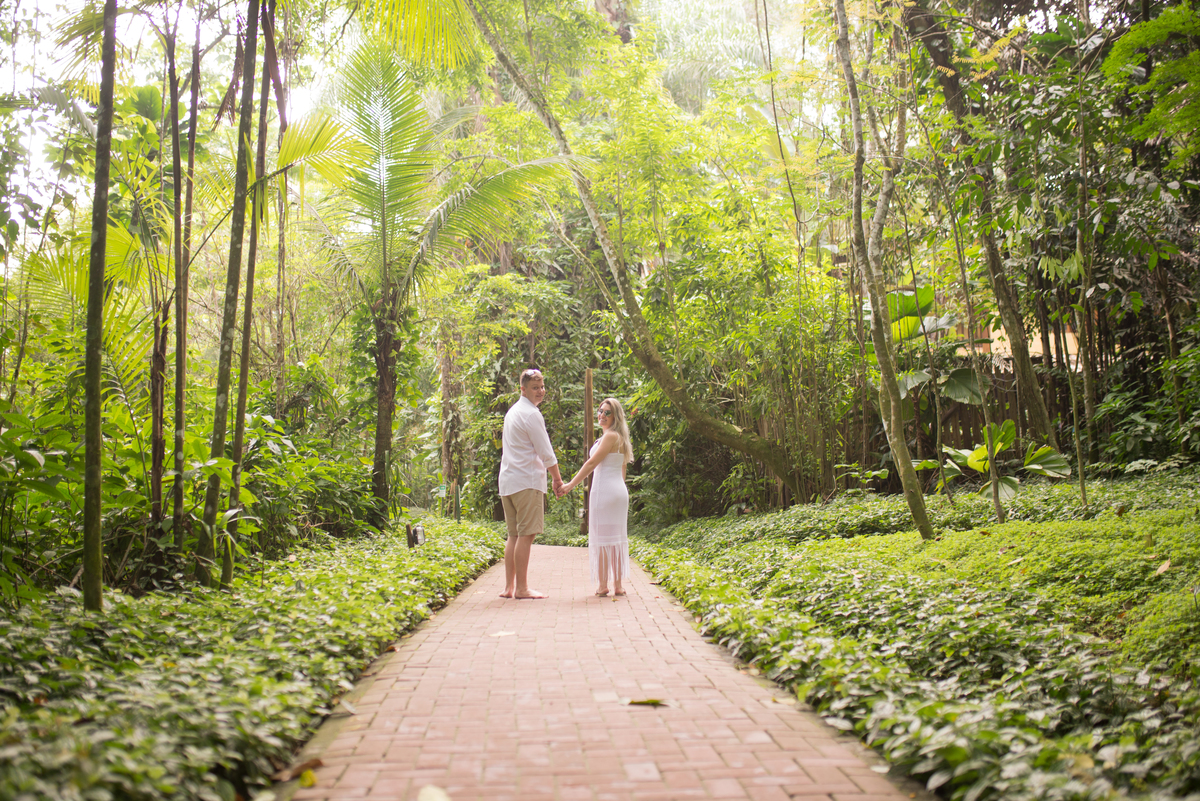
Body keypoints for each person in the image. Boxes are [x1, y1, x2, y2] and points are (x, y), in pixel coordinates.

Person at [498, 368, 563, 599]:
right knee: (526, 535)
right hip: (526, 481)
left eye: (542, 387)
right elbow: (546, 452)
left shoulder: (513, 412)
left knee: (514, 535)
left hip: (508, 481)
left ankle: (509, 588)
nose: (541, 391)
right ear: (522, 389)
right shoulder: (531, 414)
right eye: (535, 388)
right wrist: (557, 478)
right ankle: (522, 588)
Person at [559, 397, 634, 597]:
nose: (602, 415)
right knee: (617, 537)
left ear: (615, 416)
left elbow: (591, 464)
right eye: (600, 411)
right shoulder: (620, 437)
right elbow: (622, 470)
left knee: (602, 536)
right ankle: (618, 585)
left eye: (607, 412)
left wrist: (569, 485)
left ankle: (603, 585)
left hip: (605, 491)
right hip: (618, 490)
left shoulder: (610, 437)